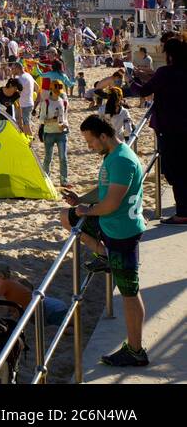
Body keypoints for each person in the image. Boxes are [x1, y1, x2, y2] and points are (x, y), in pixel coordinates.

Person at [61, 115, 149, 367]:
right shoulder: (115, 155)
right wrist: (80, 201)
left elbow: (110, 204)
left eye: (91, 141)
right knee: (66, 217)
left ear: (103, 136)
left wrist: (85, 211)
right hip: (112, 226)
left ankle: (135, 351)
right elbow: (105, 191)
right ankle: (103, 255)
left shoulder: (121, 161)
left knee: (130, 293)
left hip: (122, 232)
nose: (89, 147)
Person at [123, 38, 187, 223]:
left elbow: (143, 92)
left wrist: (130, 80)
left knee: (174, 170)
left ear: (170, 55)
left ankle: (183, 213)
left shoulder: (165, 72)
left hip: (170, 128)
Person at [38, 80, 70, 186]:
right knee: (48, 157)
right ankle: (46, 178)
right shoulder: (46, 102)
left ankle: (64, 179)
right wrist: (52, 120)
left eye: (59, 90)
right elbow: (41, 119)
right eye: (56, 90)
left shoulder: (64, 102)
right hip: (49, 132)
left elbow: (65, 118)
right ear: (51, 89)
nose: (58, 92)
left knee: (63, 157)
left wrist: (65, 125)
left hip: (62, 133)